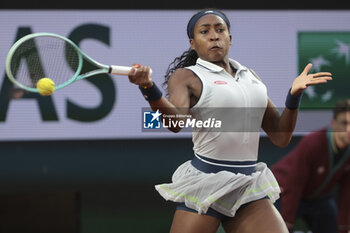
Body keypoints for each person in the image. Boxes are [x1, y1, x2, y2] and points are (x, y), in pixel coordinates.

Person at [127, 8, 332, 233]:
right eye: (204, 31)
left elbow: (280, 136)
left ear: (229, 38)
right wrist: (148, 87)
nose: (214, 36)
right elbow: (175, 123)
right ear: (193, 43)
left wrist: (293, 96)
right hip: (207, 183)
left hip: (246, 185)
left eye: (219, 29)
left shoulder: (250, 76)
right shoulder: (187, 76)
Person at [271, 99, 350, 233]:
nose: (348, 129)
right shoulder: (313, 143)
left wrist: (344, 227)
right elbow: (294, 185)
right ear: (334, 123)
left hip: (318, 199)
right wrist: (286, 226)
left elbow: (347, 191)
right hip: (283, 191)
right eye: (344, 123)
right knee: (278, 227)